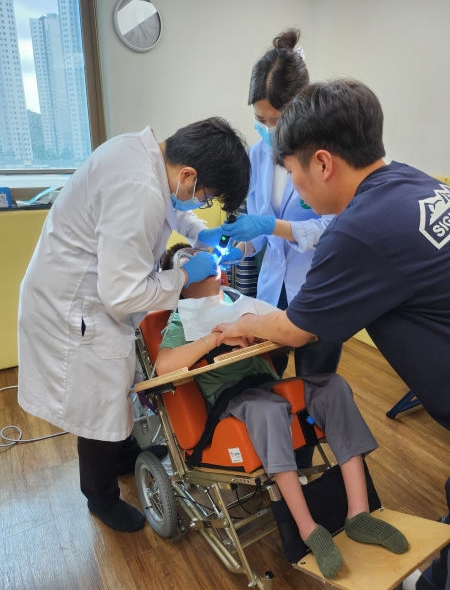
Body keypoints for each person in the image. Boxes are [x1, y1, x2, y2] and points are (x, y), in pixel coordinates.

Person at [213, 79, 450, 589]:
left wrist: (244, 322)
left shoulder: (359, 230)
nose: (294, 188)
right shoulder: (416, 183)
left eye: (293, 174)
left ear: (322, 163)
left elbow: (294, 329)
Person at [18, 118, 250, 533]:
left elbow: (173, 211)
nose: (200, 203)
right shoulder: (140, 187)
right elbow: (123, 296)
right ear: (188, 175)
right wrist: (184, 275)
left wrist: (204, 235)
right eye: (205, 197)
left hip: (85, 292)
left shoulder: (147, 158)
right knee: (100, 403)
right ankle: (100, 498)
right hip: (75, 305)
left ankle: (122, 454)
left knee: (118, 391)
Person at [155, 243, 408, 580]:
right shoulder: (181, 318)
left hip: (268, 384)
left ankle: (359, 514)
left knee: (333, 387)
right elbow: (164, 366)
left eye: (204, 254)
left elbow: (285, 330)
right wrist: (214, 340)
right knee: (269, 409)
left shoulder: (237, 301)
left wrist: (254, 330)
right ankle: (308, 529)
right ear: (181, 283)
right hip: (233, 400)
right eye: (189, 261)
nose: (203, 261)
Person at [220, 29, 341, 380]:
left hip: (318, 285)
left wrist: (270, 226)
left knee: (314, 382)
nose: (270, 128)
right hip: (273, 286)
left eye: (277, 118)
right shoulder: (258, 155)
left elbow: (334, 228)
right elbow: (259, 229)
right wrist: (241, 248)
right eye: (261, 120)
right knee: (266, 376)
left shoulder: (327, 155)